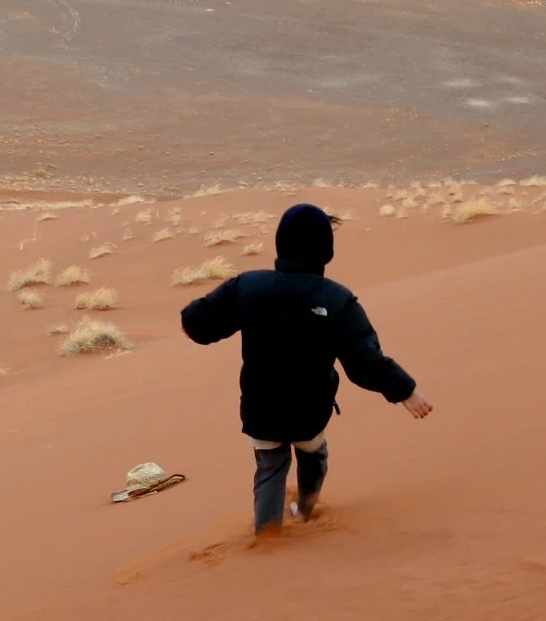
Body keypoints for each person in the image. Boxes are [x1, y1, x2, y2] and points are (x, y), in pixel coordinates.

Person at [180, 202, 432, 533]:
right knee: (314, 456)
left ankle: (266, 535)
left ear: (280, 245)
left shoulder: (248, 287)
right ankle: (304, 512)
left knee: (270, 468)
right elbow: (365, 361)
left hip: (261, 410)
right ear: (326, 251)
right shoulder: (337, 300)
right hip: (308, 412)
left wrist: (195, 320)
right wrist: (406, 391)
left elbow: (198, 323)